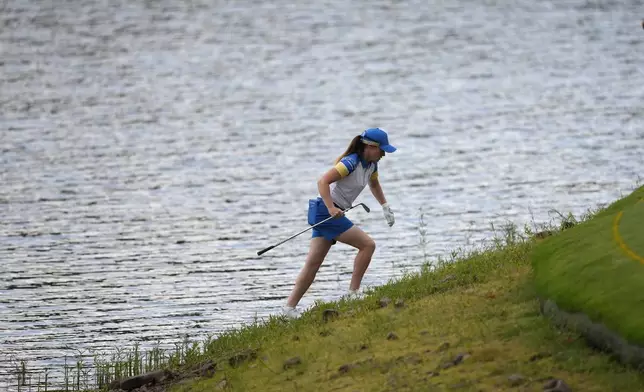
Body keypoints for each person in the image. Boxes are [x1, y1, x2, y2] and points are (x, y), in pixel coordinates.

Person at [283, 128, 396, 318]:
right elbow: (323, 182)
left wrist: (385, 206)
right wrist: (330, 208)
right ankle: (353, 293)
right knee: (367, 245)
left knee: (313, 264)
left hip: (328, 213)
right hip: (324, 211)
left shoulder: (371, 166)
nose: (384, 154)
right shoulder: (350, 163)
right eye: (381, 150)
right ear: (369, 147)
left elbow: (374, 185)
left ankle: (288, 309)